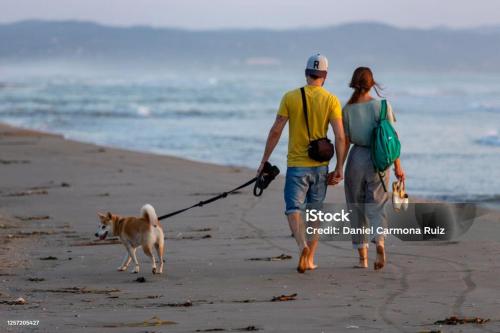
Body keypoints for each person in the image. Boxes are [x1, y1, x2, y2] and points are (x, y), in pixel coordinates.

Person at [258, 54, 347, 273]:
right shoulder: (332, 100)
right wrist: (339, 167)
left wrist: (264, 160)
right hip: (321, 165)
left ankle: (301, 245)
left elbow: (276, 129)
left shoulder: (290, 97)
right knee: (315, 212)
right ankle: (310, 260)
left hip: (297, 165)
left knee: (293, 208)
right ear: (325, 76)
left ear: (306, 73)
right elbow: (341, 137)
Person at [331, 67, 405, 270]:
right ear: (372, 83)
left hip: (356, 157)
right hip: (379, 160)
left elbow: (344, 141)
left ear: (353, 83)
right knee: (377, 204)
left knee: (355, 206)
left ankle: (362, 258)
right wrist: (398, 166)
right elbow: (392, 138)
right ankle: (379, 242)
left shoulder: (346, 109)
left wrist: (339, 167)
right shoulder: (382, 105)